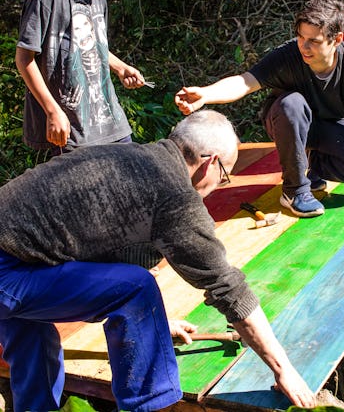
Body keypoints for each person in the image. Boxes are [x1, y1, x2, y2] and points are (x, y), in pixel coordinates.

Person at [0, 110, 316, 411]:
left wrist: (152, 322)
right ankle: (149, 407)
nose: (220, 186)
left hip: (18, 260)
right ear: (211, 163)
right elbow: (227, 286)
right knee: (137, 289)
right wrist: (283, 368)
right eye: (224, 178)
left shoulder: (130, 157)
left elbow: (90, 262)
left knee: (35, 336)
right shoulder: (172, 193)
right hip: (8, 269)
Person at [175, 0, 344, 218]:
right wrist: (206, 93)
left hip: (333, 124)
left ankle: (310, 163)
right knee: (292, 103)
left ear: (336, 39)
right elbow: (244, 82)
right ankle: (294, 190)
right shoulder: (288, 55)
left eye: (313, 41)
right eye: (301, 37)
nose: (303, 46)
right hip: (288, 121)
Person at [15, 0, 146, 154]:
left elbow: (93, 45)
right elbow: (24, 59)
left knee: (130, 177)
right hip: (71, 129)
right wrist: (52, 110)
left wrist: (120, 67)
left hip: (110, 122)